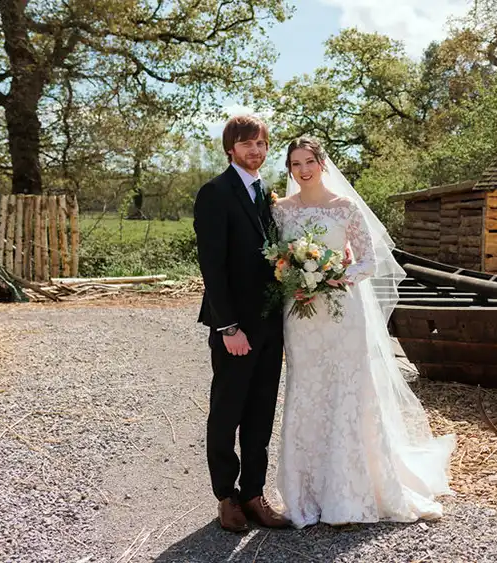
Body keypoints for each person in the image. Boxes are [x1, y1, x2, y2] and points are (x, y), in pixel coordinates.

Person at [271, 136, 455, 528]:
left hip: (341, 312)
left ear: (322, 163)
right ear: (289, 168)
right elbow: (277, 261)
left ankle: (351, 491)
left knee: (348, 392)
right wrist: (296, 276)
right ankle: (307, 493)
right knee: (307, 391)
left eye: (309, 161)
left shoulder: (346, 208)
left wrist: (334, 276)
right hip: (301, 314)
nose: (303, 170)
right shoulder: (281, 211)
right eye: (295, 163)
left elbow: (369, 261)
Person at [193, 115, 291, 533]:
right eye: (247, 143)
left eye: (261, 144)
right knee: (227, 410)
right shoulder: (215, 193)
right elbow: (212, 267)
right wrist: (228, 327)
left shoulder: (266, 196)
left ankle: (254, 493)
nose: (255, 150)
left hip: (271, 325)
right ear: (230, 148)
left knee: (261, 412)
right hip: (236, 328)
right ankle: (226, 498)